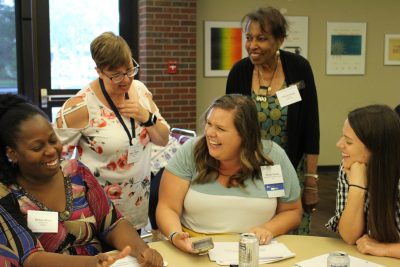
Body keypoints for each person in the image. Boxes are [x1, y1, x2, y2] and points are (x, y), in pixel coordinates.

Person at [0, 94, 163, 266]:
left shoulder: (76, 172)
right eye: (37, 147)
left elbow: (112, 223)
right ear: (12, 153)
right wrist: (92, 263)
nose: (51, 150)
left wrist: (142, 250)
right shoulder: (6, 195)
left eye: (52, 140)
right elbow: (30, 258)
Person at [156, 94, 302, 253]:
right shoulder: (192, 151)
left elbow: (292, 211)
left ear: (244, 135)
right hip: (196, 249)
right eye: (209, 124)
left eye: (220, 128)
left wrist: (269, 229)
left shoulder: (272, 157)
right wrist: (176, 235)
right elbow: (167, 207)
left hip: (256, 252)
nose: (210, 133)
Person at [54, 31, 170, 231]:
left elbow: (162, 140)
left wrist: (146, 117)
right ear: (99, 71)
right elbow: (54, 160)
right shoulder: (81, 106)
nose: (125, 79)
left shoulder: (140, 91)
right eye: (116, 74)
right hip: (99, 210)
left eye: (129, 70)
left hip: (136, 206)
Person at [225, 6, 320, 234]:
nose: (252, 45)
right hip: (248, 171)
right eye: (249, 38)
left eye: (261, 38)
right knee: (254, 231)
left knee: (290, 229)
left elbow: (311, 127)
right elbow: (228, 124)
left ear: (280, 40)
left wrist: (311, 181)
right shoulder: (239, 72)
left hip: (290, 168)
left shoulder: (298, 68)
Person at [326, 104, 400, 258]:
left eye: (349, 142)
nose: (339, 144)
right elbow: (349, 236)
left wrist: (387, 249)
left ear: (375, 148)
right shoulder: (350, 166)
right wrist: (357, 188)